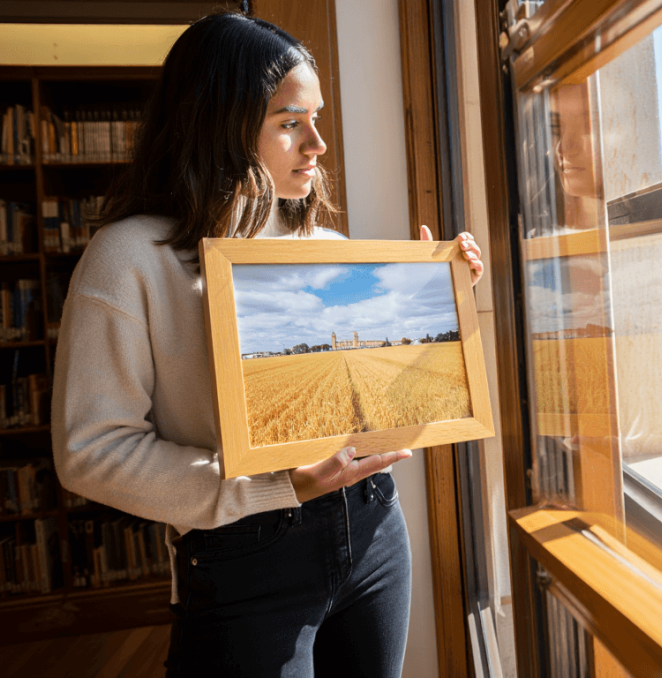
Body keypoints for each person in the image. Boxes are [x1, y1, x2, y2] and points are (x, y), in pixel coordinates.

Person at [50, 10, 483, 677]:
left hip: (373, 531)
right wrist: (267, 487)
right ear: (217, 124)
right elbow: (90, 453)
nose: (317, 143)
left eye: (316, 119)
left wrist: (436, 304)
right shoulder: (126, 260)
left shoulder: (330, 249)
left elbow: (370, 409)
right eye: (289, 122)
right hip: (244, 556)